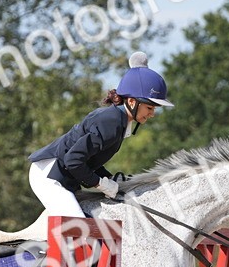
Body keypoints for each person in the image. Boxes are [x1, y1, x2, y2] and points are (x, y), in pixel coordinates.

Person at [27, 52, 172, 218]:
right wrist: (101, 184)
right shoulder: (111, 122)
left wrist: (110, 178)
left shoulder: (119, 121)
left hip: (65, 175)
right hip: (49, 175)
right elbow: (73, 160)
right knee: (80, 225)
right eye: (150, 108)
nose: (152, 114)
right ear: (132, 102)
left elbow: (89, 159)